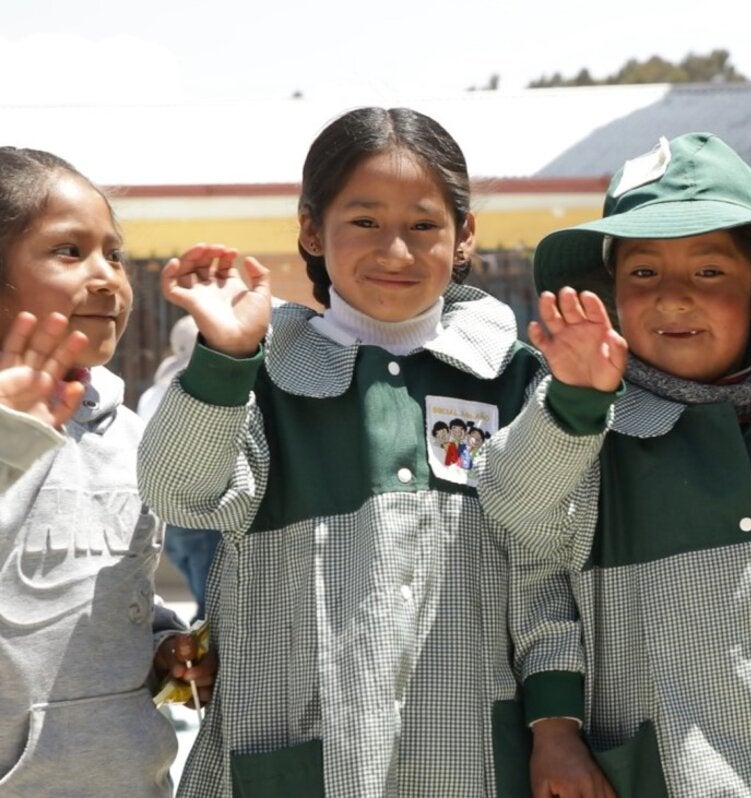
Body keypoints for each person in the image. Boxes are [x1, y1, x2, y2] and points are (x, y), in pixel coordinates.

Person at [137, 107, 625, 797]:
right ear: (310, 228)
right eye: (365, 221)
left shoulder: (516, 380)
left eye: (424, 225)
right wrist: (224, 360)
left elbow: (541, 571)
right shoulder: (266, 373)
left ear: (464, 237)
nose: (396, 252)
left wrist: (554, 723)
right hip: (298, 757)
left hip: (473, 761)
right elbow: (179, 492)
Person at [513, 133, 751, 796]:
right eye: (644, 272)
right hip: (666, 773)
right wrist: (554, 725)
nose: (673, 297)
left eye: (708, 272)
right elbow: (518, 517)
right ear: (614, 293)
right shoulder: (585, 420)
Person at [0, 147, 212, 798]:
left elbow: (106, 595)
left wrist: (160, 645)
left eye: (113, 255)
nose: (107, 279)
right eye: (70, 251)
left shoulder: (126, 434)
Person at [138, 315, 222, 621]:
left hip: (165, 514)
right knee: (213, 606)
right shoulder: (200, 390)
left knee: (203, 593)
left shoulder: (152, 394)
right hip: (203, 512)